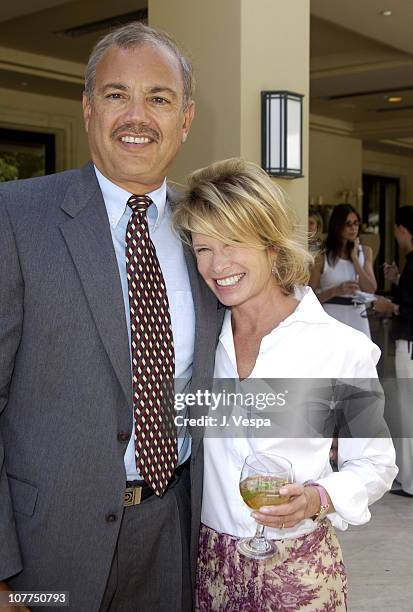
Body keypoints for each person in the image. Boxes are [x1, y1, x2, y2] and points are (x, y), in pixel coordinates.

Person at [0, 22, 222, 612]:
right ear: (87, 107)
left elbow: (243, 370)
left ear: (186, 117)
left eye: (159, 98)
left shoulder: (212, 233)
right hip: (46, 553)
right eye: (116, 94)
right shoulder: (16, 218)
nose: (136, 116)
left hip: (175, 530)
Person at [173, 158, 397, 611]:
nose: (218, 266)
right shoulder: (196, 341)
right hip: (208, 569)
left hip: (299, 573)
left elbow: (376, 463)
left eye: (234, 243)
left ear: (272, 245)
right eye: (203, 249)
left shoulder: (340, 348)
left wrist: (318, 497)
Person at [374, 206, 413, 497]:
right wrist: (398, 281)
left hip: (409, 344)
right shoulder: (410, 263)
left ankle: (410, 481)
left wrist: (392, 307)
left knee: (407, 411)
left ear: (402, 229)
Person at [310, 203, 377, 338]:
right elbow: (309, 297)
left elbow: (371, 288)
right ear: (338, 226)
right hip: (332, 318)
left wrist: (355, 260)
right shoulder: (322, 256)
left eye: (356, 223)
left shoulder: (365, 251)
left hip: (358, 317)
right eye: (348, 224)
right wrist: (336, 291)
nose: (353, 228)